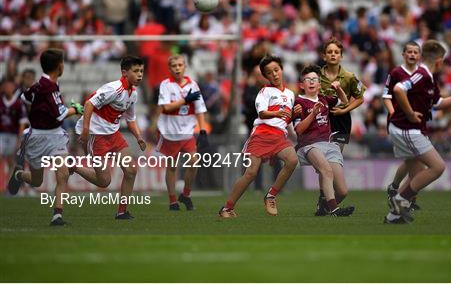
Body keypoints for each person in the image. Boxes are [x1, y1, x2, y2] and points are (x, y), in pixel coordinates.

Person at [386, 40, 451, 224]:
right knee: (437, 167)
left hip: (409, 128)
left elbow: (437, 104)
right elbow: (398, 89)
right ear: (438, 61)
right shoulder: (421, 74)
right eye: (443, 60)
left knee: (417, 173)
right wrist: (410, 113)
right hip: (407, 128)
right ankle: (400, 200)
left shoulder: (429, 77)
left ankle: (394, 216)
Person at [7, 49, 84, 226]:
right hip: (38, 138)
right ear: (59, 67)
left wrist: (37, 112)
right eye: (62, 63)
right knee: (37, 180)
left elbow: (24, 98)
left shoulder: (39, 84)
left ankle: (57, 215)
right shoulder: (49, 88)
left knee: (62, 174)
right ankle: (19, 175)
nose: (63, 65)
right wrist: (76, 109)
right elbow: (60, 115)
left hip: (55, 136)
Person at [219, 55, 298, 218]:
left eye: (276, 70)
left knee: (292, 160)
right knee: (251, 173)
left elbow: (285, 118)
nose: (274, 74)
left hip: (279, 136)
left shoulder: (290, 94)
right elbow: (262, 113)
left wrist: (293, 116)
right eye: (269, 73)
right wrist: (278, 112)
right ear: (266, 77)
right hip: (262, 134)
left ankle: (270, 196)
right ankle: (227, 208)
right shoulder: (264, 92)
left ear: (282, 70)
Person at [73, 56, 146, 220]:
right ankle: (74, 167)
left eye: (141, 71)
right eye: (136, 71)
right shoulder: (114, 89)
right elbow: (89, 104)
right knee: (104, 181)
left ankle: (122, 212)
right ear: (124, 73)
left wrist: (139, 137)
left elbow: (130, 119)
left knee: (131, 170)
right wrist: (85, 130)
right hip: (96, 135)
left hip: (113, 135)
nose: (140, 75)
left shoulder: (133, 93)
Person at [294, 65, 354, 216]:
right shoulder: (298, 102)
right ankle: (334, 210)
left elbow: (345, 103)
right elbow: (299, 130)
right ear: (302, 85)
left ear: (319, 84)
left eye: (315, 79)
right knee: (326, 171)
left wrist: (338, 89)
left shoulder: (324, 99)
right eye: (308, 79)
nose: (312, 82)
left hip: (328, 144)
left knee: (342, 191)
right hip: (309, 145)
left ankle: (324, 208)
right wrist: (313, 114)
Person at [315, 37, 365, 215]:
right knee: (324, 165)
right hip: (320, 122)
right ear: (324, 55)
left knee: (331, 160)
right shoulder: (316, 76)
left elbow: (360, 97)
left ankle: (325, 202)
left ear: (341, 56)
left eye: (336, 52)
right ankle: (324, 199)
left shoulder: (350, 77)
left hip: (341, 123)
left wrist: (345, 110)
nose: (333, 55)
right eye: (329, 52)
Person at [156, 55, 208, 211]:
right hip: (170, 133)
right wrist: (186, 100)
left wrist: (203, 129)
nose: (177, 68)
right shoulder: (165, 85)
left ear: (185, 67)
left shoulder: (193, 85)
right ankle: (172, 201)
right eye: (173, 65)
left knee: (194, 162)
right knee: (172, 167)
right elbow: (166, 108)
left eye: (180, 65)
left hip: (187, 133)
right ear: (169, 68)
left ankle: (185, 194)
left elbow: (199, 109)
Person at [382, 41, 424, 210]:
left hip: (417, 122)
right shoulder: (396, 73)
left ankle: (395, 189)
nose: (412, 55)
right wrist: (393, 114)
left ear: (419, 56)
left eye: (416, 52)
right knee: (416, 160)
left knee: (413, 161)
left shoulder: (423, 74)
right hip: (400, 122)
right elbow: (387, 96)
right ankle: (407, 198)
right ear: (403, 55)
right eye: (409, 52)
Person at [0, 79, 28, 178]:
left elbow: (22, 123)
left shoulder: (18, 104)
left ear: (13, 89)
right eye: (5, 87)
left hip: (13, 135)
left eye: (9, 87)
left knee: (11, 161)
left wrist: (19, 139)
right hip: (1, 134)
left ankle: (8, 185)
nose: (7, 89)